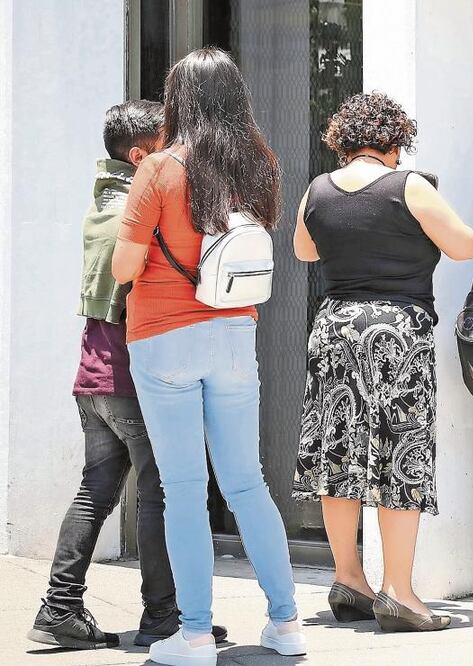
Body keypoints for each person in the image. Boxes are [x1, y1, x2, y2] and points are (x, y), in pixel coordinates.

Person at [111, 48, 304, 665]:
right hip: (233, 335)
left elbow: (123, 266)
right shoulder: (259, 165)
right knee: (248, 483)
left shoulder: (160, 170)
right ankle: (287, 623)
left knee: (184, 488)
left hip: (164, 337)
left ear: (178, 99)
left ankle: (194, 634)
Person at [28, 101, 226, 652]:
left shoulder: (104, 203)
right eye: (168, 147)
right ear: (141, 156)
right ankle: (166, 617)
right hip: (132, 378)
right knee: (161, 491)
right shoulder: (132, 213)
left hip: (94, 375)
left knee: (97, 492)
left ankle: (59, 608)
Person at [291, 91, 473, 633]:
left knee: (337, 451)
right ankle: (399, 591)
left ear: (344, 141)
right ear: (394, 140)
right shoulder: (408, 186)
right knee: (401, 451)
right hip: (395, 330)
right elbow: (464, 245)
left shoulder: (318, 190)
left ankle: (349, 577)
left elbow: (305, 251)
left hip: (335, 328)